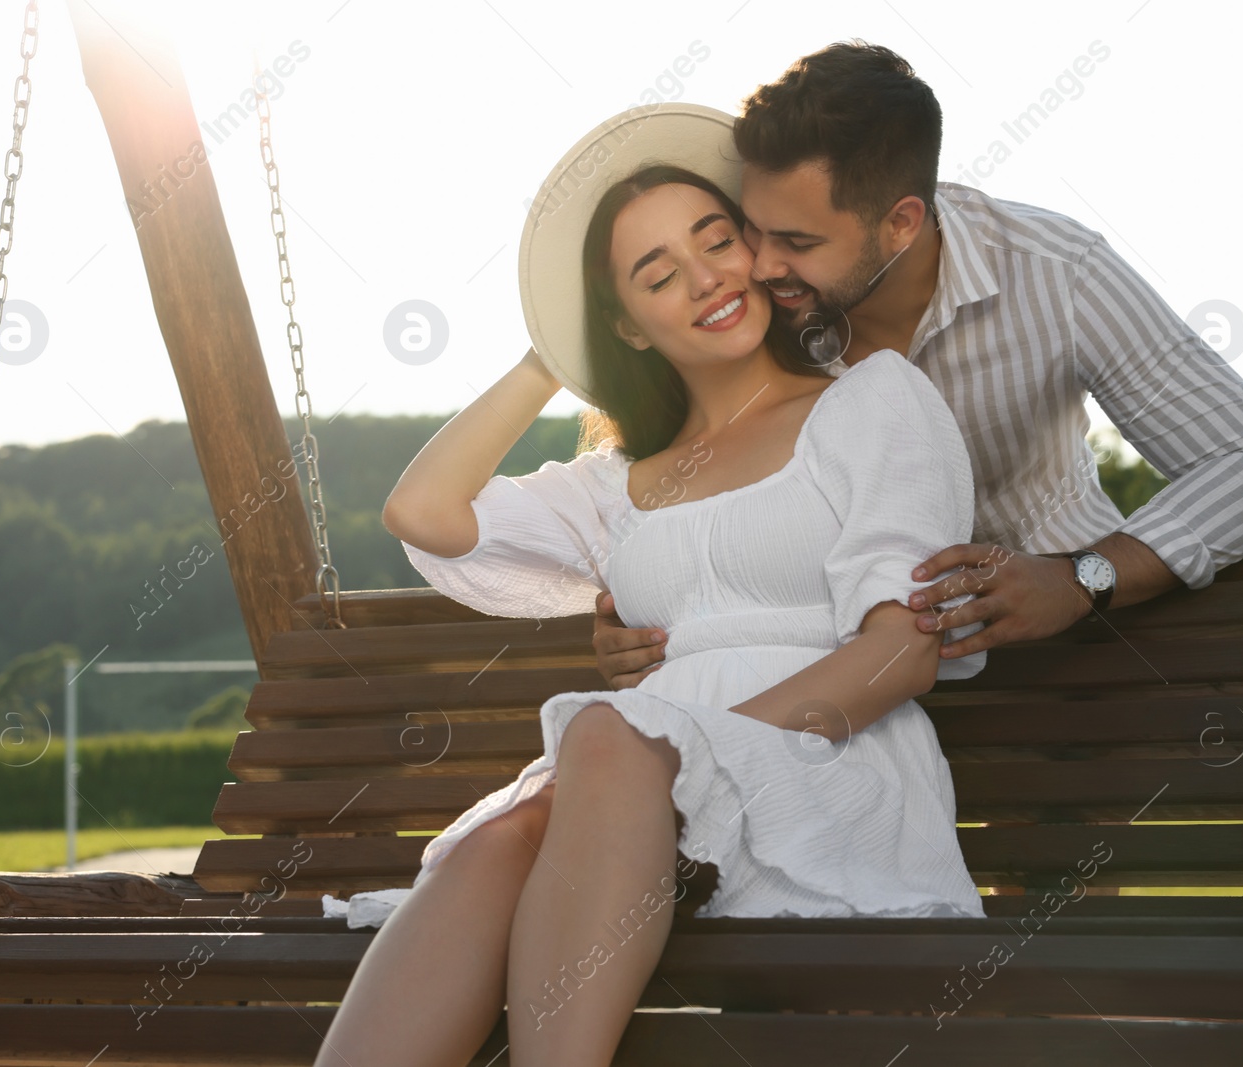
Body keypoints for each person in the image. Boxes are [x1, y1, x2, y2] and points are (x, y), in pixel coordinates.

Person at [315, 104, 986, 1067]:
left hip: (822, 758)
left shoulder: (869, 401)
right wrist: (551, 352)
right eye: (659, 275)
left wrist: (708, 750)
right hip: (625, 792)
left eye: (719, 241)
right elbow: (423, 511)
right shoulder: (616, 485)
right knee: (490, 844)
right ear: (626, 325)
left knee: (603, 732)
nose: (707, 276)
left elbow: (904, 645)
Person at [591, 41, 1243, 690]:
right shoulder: (754, 313)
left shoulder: (1055, 273)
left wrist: (1082, 576)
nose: (761, 263)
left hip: (1077, 668)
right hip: (843, 687)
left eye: (798, 240)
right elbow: (688, 470)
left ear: (901, 222)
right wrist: (648, 613)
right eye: (751, 228)